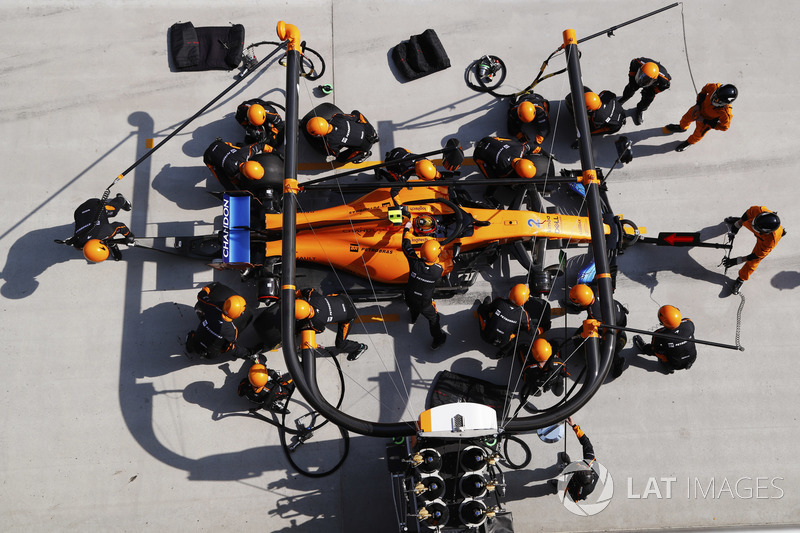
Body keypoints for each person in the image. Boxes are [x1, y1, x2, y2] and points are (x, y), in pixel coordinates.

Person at [402, 222, 447, 349]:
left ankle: (413, 318)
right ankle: (438, 340)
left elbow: (406, 245)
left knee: (413, 307)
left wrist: (407, 229)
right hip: (425, 303)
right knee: (434, 320)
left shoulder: (414, 263)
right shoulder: (438, 270)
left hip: (409, 297)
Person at [568, 284, 629, 378]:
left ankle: (617, 361)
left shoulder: (595, 314)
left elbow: (600, 330)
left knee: (602, 348)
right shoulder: (596, 289)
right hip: (619, 315)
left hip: (614, 329)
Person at [723, 207, 785, 295]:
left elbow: (756, 255)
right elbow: (749, 213)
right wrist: (738, 224)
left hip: (763, 240)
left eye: (757, 228)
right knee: (746, 220)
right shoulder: (760, 211)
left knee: (754, 262)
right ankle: (740, 220)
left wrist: (737, 260)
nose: (753, 227)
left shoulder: (771, 240)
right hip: (756, 223)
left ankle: (741, 279)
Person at [295, 288, 368, 361]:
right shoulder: (313, 297)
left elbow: (320, 330)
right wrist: (296, 294)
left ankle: (360, 347)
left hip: (350, 314)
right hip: (344, 298)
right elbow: (309, 290)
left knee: (340, 344)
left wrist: (297, 328)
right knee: (327, 299)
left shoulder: (317, 321)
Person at [664, 83, 737, 152]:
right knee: (685, 119)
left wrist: (705, 121)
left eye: (718, 101)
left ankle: (689, 142)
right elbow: (705, 90)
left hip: (705, 122)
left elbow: (724, 127)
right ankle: (682, 127)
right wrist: (698, 104)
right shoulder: (714, 87)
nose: (714, 100)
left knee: (697, 135)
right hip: (698, 109)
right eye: (715, 96)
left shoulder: (725, 113)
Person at [186, 287, 252, 360]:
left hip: (195, 342)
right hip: (211, 354)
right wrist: (246, 353)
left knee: (191, 334)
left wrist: (206, 289)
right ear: (239, 314)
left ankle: (189, 348)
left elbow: (201, 297)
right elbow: (229, 348)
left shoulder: (212, 308)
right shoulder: (232, 331)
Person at [472, 136, 538, 206]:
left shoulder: (520, 149)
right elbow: (500, 178)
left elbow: (531, 146)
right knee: (493, 180)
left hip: (489, 139)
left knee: (513, 142)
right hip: (479, 153)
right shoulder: (504, 169)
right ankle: (488, 196)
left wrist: (544, 153)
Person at [68, 195, 134, 262]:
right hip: (79, 212)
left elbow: (121, 226)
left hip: (94, 205)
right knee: (106, 235)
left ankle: (121, 199)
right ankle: (113, 246)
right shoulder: (79, 242)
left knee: (113, 210)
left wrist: (129, 235)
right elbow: (77, 246)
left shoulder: (106, 231)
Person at [632, 305, 696, 373]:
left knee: (655, 350)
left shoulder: (659, 334)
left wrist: (666, 362)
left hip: (674, 364)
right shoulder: (689, 324)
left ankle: (645, 349)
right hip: (692, 359)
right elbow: (684, 321)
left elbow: (656, 350)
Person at [549, 416, 598, 502]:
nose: (581, 466)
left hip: (573, 486)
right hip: (578, 478)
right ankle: (568, 464)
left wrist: (565, 487)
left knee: (567, 484)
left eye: (579, 469)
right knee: (573, 466)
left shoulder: (581, 492)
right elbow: (587, 444)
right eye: (583, 468)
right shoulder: (591, 463)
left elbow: (574, 499)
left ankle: (560, 485)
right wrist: (574, 426)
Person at [477, 284, 533, 359]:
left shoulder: (499, 301)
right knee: (518, 333)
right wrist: (542, 329)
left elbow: (488, 309)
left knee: (482, 309)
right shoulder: (523, 315)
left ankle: (484, 305)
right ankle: (502, 353)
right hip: (502, 343)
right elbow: (531, 331)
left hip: (486, 336)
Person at [306, 110, 379, 164]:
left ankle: (363, 154)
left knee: (341, 159)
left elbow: (336, 153)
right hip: (370, 130)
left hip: (365, 146)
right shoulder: (337, 117)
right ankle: (375, 136)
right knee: (356, 112)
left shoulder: (331, 142)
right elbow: (356, 116)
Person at [203, 138, 276, 191]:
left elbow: (261, 146)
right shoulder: (231, 171)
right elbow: (227, 182)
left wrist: (275, 152)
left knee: (238, 150)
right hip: (209, 156)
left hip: (219, 144)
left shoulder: (245, 154)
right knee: (219, 175)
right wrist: (238, 188)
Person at [617, 58, 671, 125]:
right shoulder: (638, 62)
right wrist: (632, 78)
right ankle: (624, 98)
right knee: (631, 87)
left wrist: (654, 91)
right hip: (640, 76)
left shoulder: (664, 79)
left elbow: (665, 86)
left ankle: (640, 109)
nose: (642, 81)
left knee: (648, 98)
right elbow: (633, 63)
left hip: (651, 84)